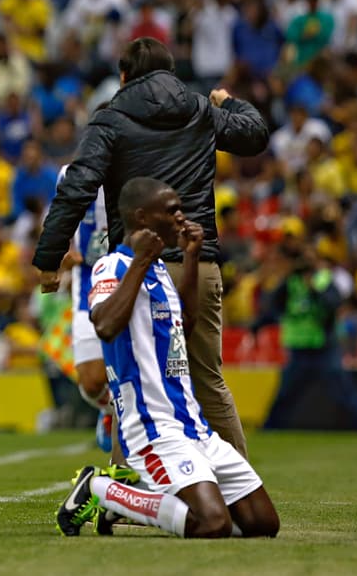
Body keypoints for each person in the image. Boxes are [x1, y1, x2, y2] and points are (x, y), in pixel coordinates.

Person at [33, 37, 269, 457]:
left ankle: (133, 496)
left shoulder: (111, 118)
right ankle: (242, 492)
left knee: (132, 383)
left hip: (138, 270)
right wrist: (228, 103)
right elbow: (254, 136)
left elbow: (77, 187)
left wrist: (49, 258)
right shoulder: (200, 111)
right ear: (171, 75)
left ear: (123, 77)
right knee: (207, 380)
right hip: (197, 266)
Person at [57, 178, 280, 540]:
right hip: (152, 430)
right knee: (213, 525)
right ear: (142, 217)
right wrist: (141, 262)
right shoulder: (111, 266)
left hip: (195, 428)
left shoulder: (160, 269)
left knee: (263, 525)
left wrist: (191, 258)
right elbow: (105, 325)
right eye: (172, 209)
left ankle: (128, 497)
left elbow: (185, 325)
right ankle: (102, 490)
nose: (181, 216)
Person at [254, 220, 357, 431]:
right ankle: (269, 430)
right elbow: (271, 305)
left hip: (323, 347)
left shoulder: (324, 279)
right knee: (285, 396)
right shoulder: (290, 281)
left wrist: (315, 284)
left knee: (345, 394)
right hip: (299, 349)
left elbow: (334, 303)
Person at [59, 166, 114, 451]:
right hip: (87, 291)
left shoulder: (138, 164)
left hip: (130, 285)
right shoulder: (71, 174)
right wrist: (61, 255)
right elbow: (59, 221)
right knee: (92, 382)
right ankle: (110, 412)